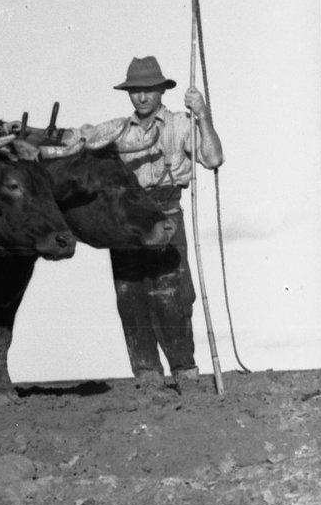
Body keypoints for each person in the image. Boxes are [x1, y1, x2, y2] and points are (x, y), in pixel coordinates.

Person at [50, 55, 222, 390]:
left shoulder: (181, 124)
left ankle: (184, 369)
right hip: (125, 220)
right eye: (135, 91)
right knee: (130, 297)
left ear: (161, 90)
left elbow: (213, 158)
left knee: (171, 295)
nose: (141, 97)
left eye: (148, 90)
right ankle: (147, 375)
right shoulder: (114, 130)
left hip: (166, 214)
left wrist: (202, 114)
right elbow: (75, 137)